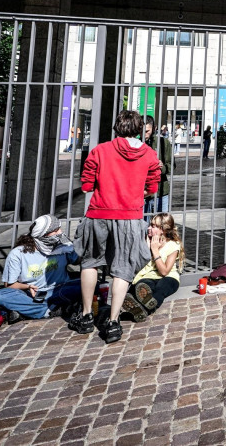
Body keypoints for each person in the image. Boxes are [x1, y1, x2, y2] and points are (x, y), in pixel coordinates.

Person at [69, 110, 161, 344]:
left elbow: (87, 184)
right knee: (123, 268)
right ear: (140, 128)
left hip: (99, 213)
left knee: (90, 262)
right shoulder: (149, 154)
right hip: (130, 217)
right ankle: (112, 322)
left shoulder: (100, 150)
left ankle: (87, 315)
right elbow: (152, 186)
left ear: (117, 127)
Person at [0, 215, 81, 323]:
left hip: (58, 290)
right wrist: (28, 287)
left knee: (91, 285)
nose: (60, 232)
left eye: (59, 228)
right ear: (42, 235)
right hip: (31, 295)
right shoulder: (18, 254)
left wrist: (78, 245)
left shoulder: (62, 247)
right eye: (55, 230)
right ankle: (49, 310)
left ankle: (29, 312)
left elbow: (79, 261)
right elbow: (9, 285)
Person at [120, 212, 183, 323]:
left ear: (163, 230)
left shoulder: (173, 245)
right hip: (148, 276)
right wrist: (146, 248)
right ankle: (140, 305)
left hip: (169, 277)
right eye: (150, 225)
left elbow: (164, 271)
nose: (149, 228)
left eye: (153, 226)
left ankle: (143, 309)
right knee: (143, 285)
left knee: (161, 288)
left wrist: (155, 250)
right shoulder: (145, 240)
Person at [143, 115, 173, 214]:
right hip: (142, 191)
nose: (144, 134)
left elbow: (172, 166)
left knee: (161, 225)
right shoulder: (136, 143)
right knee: (142, 226)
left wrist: (161, 167)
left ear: (154, 128)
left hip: (160, 192)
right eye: (141, 130)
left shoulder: (163, 143)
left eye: (147, 131)